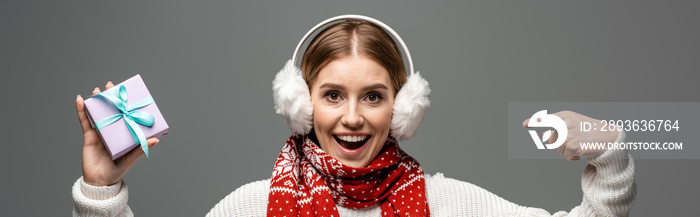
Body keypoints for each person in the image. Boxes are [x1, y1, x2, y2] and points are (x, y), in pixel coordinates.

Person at [72, 15, 636, 217]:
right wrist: (101, 191)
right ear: (303, 102)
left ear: (402, 107)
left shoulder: (451, 206)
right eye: (333, 95)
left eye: (373, 96)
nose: (353, 118)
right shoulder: (249, 209)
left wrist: (609, 148)